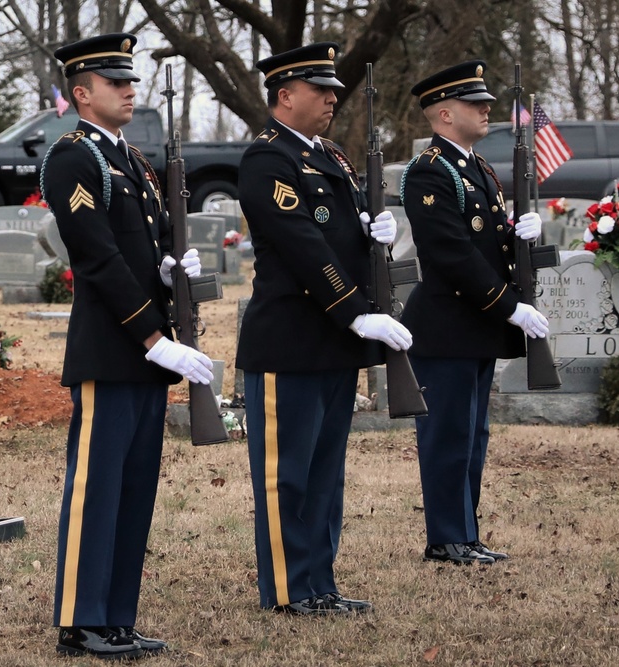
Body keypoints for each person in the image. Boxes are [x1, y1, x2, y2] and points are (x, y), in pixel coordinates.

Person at [40, 33, 213, 659]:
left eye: (130, 80)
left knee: (135, 489)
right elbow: (96, 257)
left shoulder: (135, 163)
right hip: (114, 349)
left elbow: (150, 245)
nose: (129, 89)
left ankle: (117, 616)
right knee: (97, 486)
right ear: (82, 93)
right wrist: (152, 336)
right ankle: (81, 621)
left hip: (148, 349)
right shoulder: (72, 158)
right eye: (116, 82)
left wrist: (173, 266)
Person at [236, 43, 412, 616]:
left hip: (333, 340)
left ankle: (319, 582)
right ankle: (289, 589)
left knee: (325, 473)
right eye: (321, 89)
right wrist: (355, 309)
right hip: (290, 340)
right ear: (285, 96)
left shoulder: (330, 156)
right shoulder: (267, 159)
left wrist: (371, 231)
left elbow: (336, 234)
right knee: (289, 476)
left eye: (335, 89)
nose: (334, 98)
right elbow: (301, 244)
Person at [400, 60, 548, 565]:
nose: (487, 109)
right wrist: (510, 308)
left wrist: (516, 234)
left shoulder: (476, 167)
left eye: (486, 101)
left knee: (472, 435)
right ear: (444, 113)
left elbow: (484, 242)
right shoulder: (430, 171)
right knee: (448, 434)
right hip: (447, 326)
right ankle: (446, 538)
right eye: (474, 103)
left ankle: (466, 531)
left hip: (475, 326)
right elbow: (451, 254)